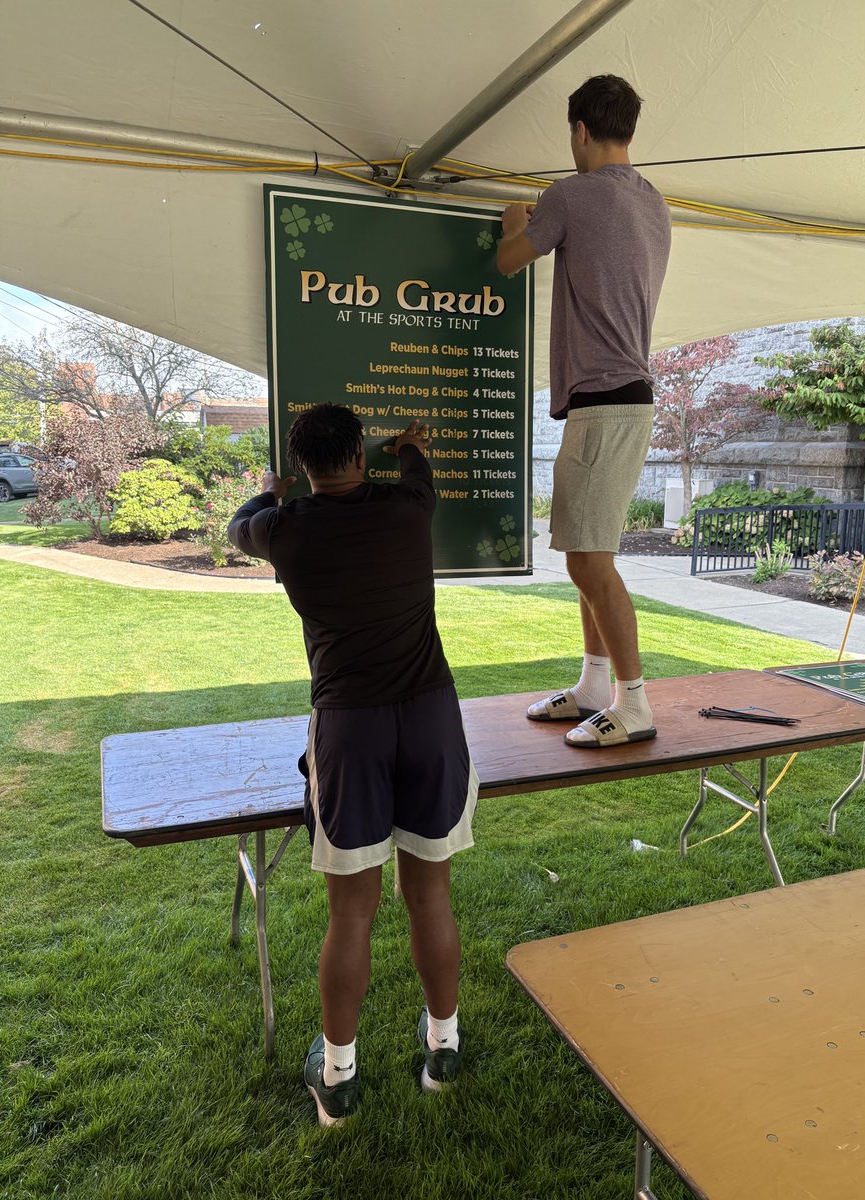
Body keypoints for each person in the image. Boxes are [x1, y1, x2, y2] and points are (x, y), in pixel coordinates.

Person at [228, 405, 477, 1125]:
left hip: (349, 730)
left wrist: (271, 491)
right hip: (431, 718)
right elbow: (418, 471)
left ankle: (337, 1078)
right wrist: (411, 445)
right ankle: (444, 1050)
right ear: (361, 457)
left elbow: (238, 522)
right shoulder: (408, 508)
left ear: (305, 467)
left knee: (353, 912)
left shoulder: (282, 529)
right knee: (431, 897)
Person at [496, 74, 671, 749]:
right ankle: (596, 687)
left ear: (579, 130)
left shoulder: (568, 195)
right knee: (588, 554)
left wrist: (516, 218)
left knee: (588, 563)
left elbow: (512, 258)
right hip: (626, 400)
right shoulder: (654, 202)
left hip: (603, 402)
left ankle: (634, 705)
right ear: (628, 127)